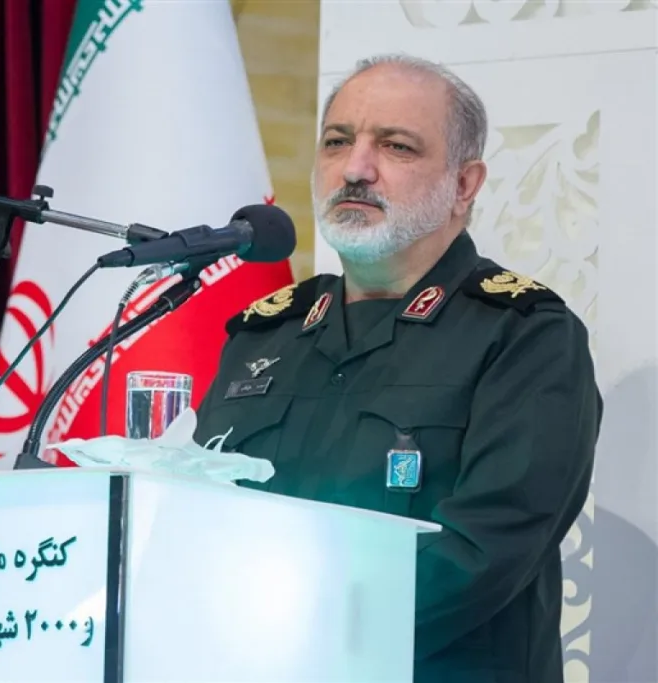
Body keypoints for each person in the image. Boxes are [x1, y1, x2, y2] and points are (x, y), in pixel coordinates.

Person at [192, 54, 602, 683]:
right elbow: (199, 513)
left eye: (396, 146)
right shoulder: (262, 333)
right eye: (337, 142)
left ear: (464, 185)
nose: (355, 169)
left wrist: (294, 635)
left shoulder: (525, 335)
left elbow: (484, 549)